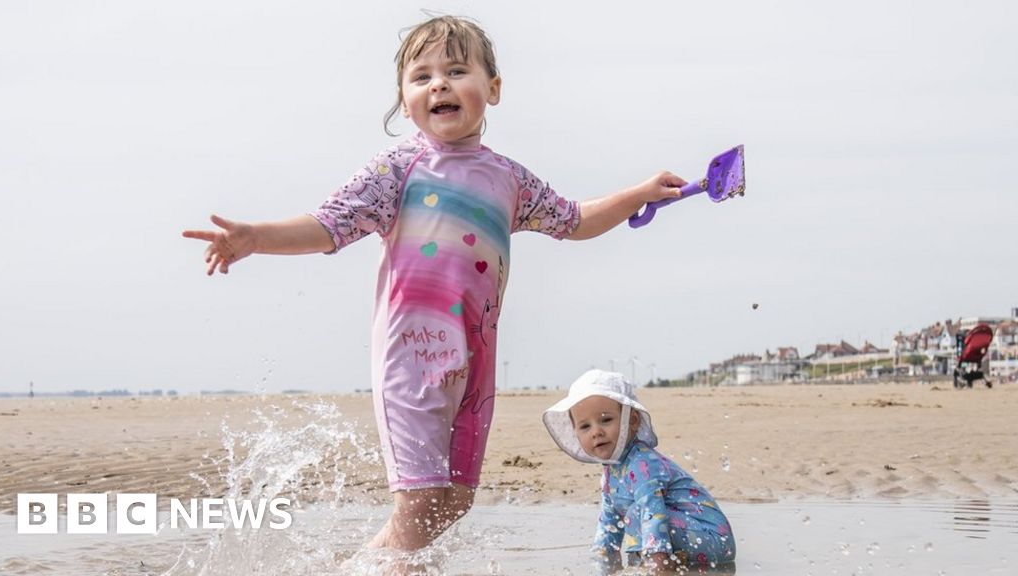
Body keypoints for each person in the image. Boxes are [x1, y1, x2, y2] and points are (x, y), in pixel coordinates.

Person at [182, 15, 688, 554]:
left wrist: (639, 194)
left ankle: (374, 566)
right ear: (405, 102)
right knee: (419, 501)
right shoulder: (399, 168)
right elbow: (330, 223)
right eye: (421, 77)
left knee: (453, 498)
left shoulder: (509, 179)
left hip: (475, 358)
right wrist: (257, 236)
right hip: (412, 356)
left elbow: (573, 219)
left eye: (455, 70)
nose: (439, 84)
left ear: (492, 89)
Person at [544, 369, 736, 574]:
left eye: (606, 420)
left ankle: (655, 563)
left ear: (632, 420)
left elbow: (654, 513)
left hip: (715, 540)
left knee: (638, 513)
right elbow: (609, 523)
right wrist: (602, 561)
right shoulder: (611, 472)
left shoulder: (641, 463)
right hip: (688, 535)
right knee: (627, 517)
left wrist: (656, 563)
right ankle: (649, 560)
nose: (596, 432)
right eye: (585, 426)